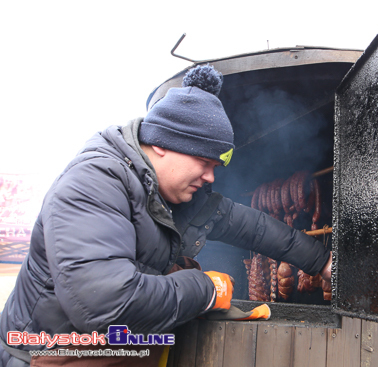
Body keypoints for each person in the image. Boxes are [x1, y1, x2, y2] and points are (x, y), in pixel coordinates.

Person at [0, 65, 332, 366]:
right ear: (163, 144)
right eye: (205, 163)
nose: (211, 178)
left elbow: (254, 227)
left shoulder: (173, 195)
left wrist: (320, 261)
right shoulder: (92, 185)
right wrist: (205, 289)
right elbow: (105, 307)